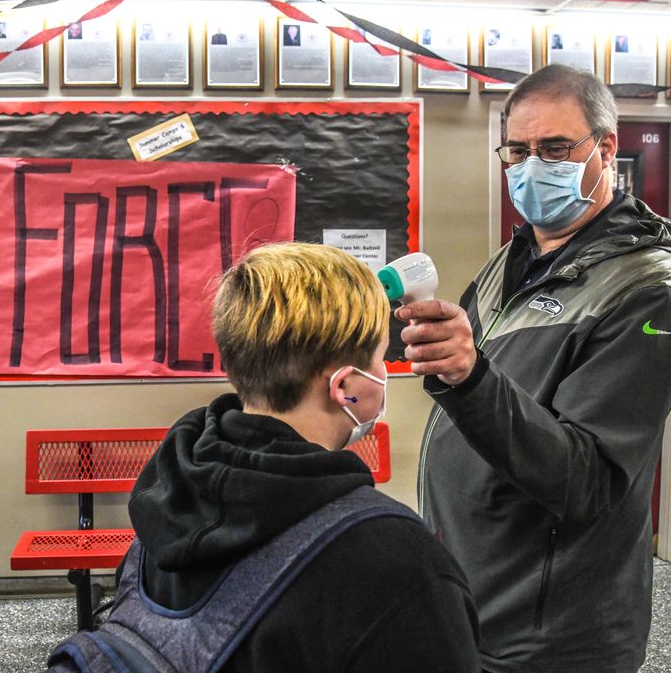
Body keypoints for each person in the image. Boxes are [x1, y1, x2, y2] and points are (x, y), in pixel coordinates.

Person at [398, 64, 671, 673]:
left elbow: (586, 480)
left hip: (552, 632)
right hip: (477, 594)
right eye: (518, 150)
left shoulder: (649, 290)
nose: (533, 167)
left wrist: (468, 376)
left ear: (606, 146)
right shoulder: (515, 257)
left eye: (556, 149)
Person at [123, 243, 480, 672]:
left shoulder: (166, 498)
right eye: (380, 356)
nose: (384, 372)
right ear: (345, 386)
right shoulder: (394, 560)